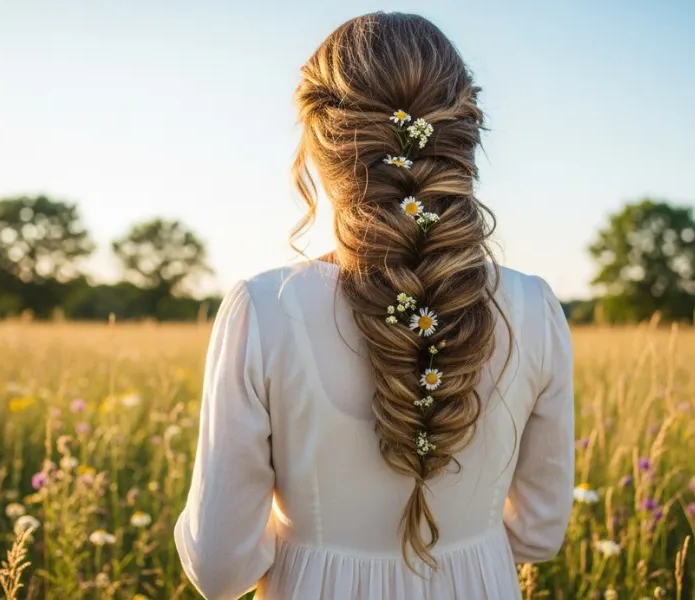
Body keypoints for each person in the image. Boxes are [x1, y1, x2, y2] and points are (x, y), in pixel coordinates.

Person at [174, 12, 574, 600]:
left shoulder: (262, 310)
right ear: (460, 138)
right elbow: (539, 533)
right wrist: (466, 544)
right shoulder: (535, 308)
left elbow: (219, 570)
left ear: (318, 143)